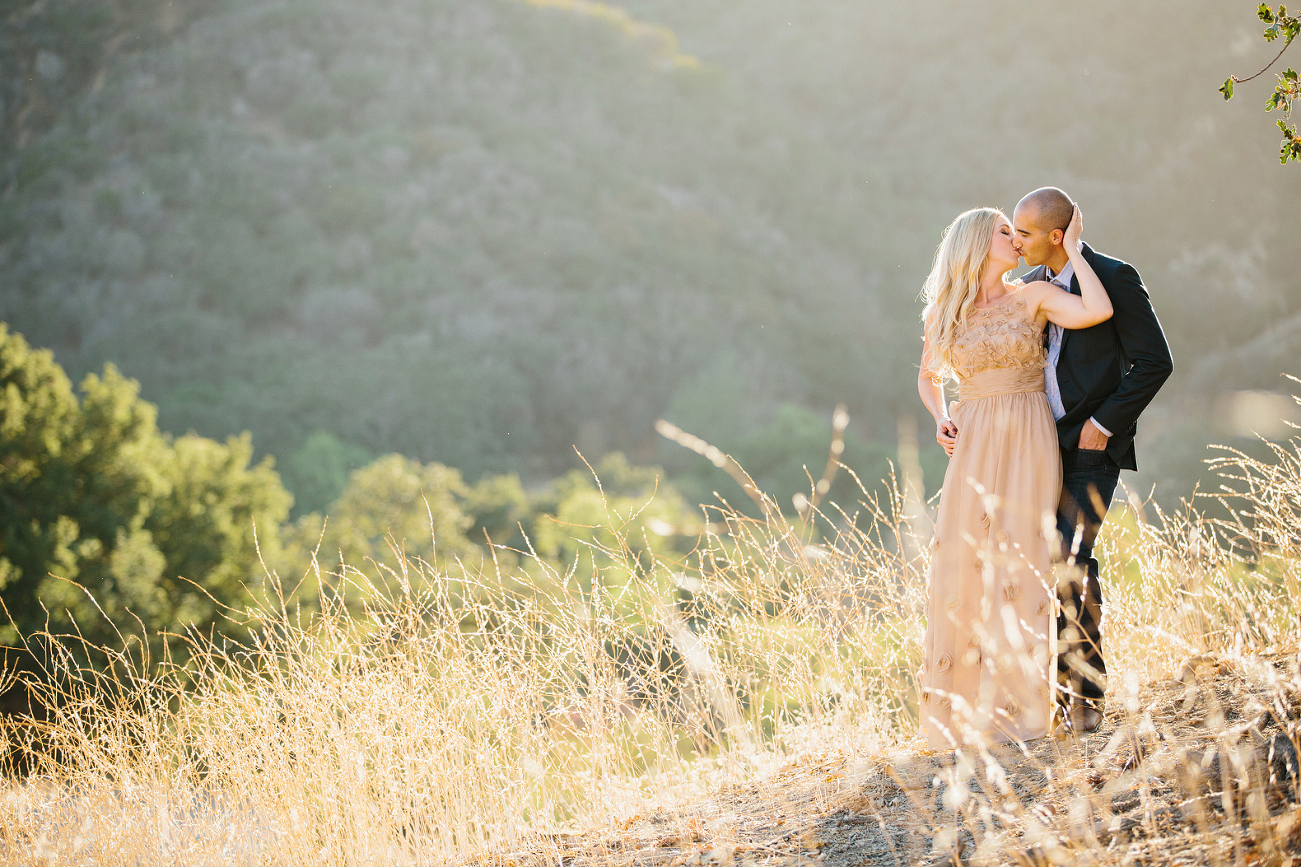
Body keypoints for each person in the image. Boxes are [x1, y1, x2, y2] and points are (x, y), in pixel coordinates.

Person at [916, 204, 1112, 750]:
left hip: (1028, 436)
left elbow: (1097, 310)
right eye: (1005, 231)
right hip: (973, 438)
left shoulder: (1033, 295)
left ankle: (1023, 714)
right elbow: (928, 378)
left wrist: (1073, 249)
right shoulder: (946, 312)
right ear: (976, 242)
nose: (1017, 239)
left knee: (1023, 560)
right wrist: (942, 418)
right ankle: (962, 715)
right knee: (966, 560)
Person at [1011, 187, 1173, 733]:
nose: (1016, 240)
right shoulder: (1030, 286)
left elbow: (1155, 361)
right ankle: (1052, 697)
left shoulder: (1114, 276)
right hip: (1037, 447)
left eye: (1025, 232)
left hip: (1090, 448)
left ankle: (1084, 699)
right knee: (1042, 565)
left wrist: (1102, 425)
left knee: (1070, 559)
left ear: (1057, 235)